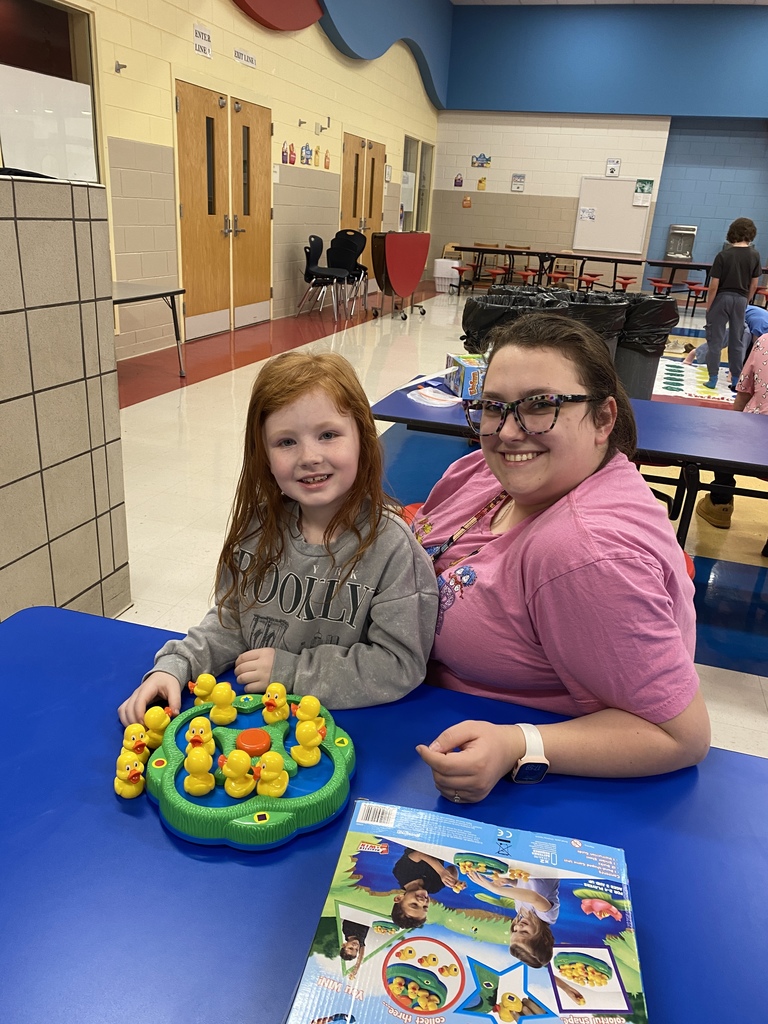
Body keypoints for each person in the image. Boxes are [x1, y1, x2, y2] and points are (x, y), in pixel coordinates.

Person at [414, 313, 710, 803]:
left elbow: (680, 735)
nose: (508, 432)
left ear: (603, 419)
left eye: (541, 405)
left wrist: (518, 744)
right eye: (493, 407)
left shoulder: (583, 554)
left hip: (501, 783)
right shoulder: (486, 473)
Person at [118, 351, 438, 725]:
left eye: (328, 435)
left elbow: (399, 665)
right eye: (286, 442)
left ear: (363, 439)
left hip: (349, 732)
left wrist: (291, 672)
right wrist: (175, 666)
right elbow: (232, 623)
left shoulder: (393, 550)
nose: (309, 456)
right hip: (254, 728)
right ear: (264, 456)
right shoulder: (258, 529)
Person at [696, 331, 768, 532]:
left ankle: (720, 504)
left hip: (756, 436)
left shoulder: (764, 341)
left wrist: (730, 428)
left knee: (724, 434)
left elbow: (744, 391)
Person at [703, 219, 762, 390]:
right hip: (741, 299)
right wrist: (747, 301)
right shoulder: (755, 255)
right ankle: (736, 379)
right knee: (737, 340)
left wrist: (709, 305)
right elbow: (754, 284)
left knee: (715, 339)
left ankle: (712, 378)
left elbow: (714, 285)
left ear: (731, 233)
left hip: (721, 298)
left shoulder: (723, 255)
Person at [466, 871, 559, 968]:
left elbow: (525, 888)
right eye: (524, 932)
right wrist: (496, 890)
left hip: (527, 868)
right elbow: (534, 897)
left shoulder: (520, 910)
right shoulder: (547, 916)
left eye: (515, 930)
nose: (518, 926)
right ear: (544, 939)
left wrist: (511, 882)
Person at [391, 848, 461, 928]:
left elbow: (420, 854)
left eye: (414, 905)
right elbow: (452, 869)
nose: (422, 902)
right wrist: (453, 882)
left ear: (399, 898)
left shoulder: (402, 873)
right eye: (425, 907)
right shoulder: (434, 887)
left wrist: (441, 872)